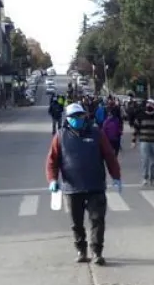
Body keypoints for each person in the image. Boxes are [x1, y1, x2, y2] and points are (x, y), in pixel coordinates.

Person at [46, 103, 123, 265]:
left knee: (97, 220)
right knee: (77, 223)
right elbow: (52, 161)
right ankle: (81, 250)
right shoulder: (60, 136)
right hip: (72, 188)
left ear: (85, 116)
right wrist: (53, 180)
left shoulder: (97, 134)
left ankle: (97, 252)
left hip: (95, 185)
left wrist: (116, 176)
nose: (76, 119)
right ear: (67, 119)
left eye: (79, 116)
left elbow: (109, 156)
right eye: (73, 117)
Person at [132, 100, 154, 186]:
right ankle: (144, 178)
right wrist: (133, 141)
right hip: (144, 141)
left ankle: (153, 178)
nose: (149, 105)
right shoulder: (140, 116)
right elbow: (136, 129)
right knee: (145, 160)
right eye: (148, 104)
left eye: (151, 104)